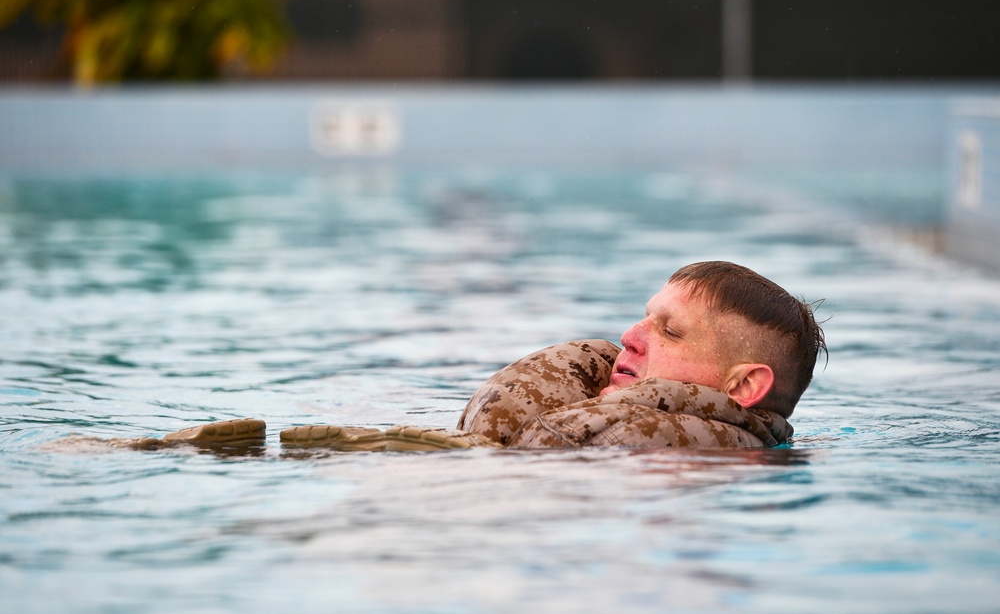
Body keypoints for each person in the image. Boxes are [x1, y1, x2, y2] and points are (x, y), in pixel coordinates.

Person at [50, 261, 825, 453]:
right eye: (644, 315)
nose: (629, 336)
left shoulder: (713, 466)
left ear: (745, 386)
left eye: (669, 332)